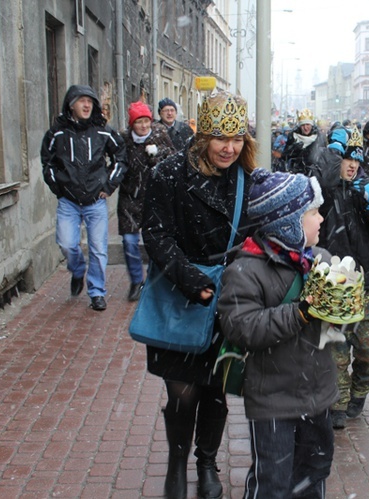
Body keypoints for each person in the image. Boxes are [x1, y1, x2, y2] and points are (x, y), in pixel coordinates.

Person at [141, 89, 257, 499]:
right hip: (181, 296)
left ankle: (206, 462)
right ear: (202, 136)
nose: (229, 148)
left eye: (237, 138)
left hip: (229, 300)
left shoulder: (246, 180)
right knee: (182, 393)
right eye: (220, 138)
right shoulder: (169, 173)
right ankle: (176, 463)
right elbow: (155, 235)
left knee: (216, 388)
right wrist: (193, 281)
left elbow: (259, 235)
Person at [217, 168, 337, 498]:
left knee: (314, 474)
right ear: (288, 222)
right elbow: (242, 327)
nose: (322, 219)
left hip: (319, 395)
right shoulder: (246, 269)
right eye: (313, 212)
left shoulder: (322, 261)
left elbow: (337, 327)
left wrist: (345, 314)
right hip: (273, 400)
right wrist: (299, 312)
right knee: (272, 481)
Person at [314, 128, 369, 430]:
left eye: (356, 159)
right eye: (345, 159)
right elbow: (317, 178)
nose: (351, 165)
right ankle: (337, 402)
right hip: (334, 280)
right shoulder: (324, 191)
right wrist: (329, 154)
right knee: (335, 349)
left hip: (367, 283)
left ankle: (360, 391)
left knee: (368, 348)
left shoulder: (368, 187)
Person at [40, 84, 127, 311]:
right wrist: (58, 187)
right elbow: (47, 161)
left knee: (98, 250)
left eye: (90, 101)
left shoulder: (103, 131)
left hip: (95, 202)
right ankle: (77, 270)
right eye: (82, 101)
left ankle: (97, 292)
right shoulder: (57, 132)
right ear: (71, 105)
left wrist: (109, 185)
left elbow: (120, 157)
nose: (87, 105)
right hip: (68, 201)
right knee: (67, 244)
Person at [117, 101, 175, 301]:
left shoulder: (159, 135)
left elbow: (171, 159)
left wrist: (155, 157)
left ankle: (153, 281)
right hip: (129, 197)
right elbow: (117, 161)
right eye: (139, 122)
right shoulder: (124, 139)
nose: (143, 126)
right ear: (132, 123)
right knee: (129, 241)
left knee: (155, 242)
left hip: (154, 197)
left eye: (146, 121)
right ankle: (135, 281)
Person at [281, 109, 326, 176]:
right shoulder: (293, 136)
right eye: (303, 125)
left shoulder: (319, 137)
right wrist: (294, 148)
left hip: (315, 174)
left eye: (308, 124)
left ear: (311, 125)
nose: (305, 128)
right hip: (297, 174)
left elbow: (325, 157)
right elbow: (284, 156)